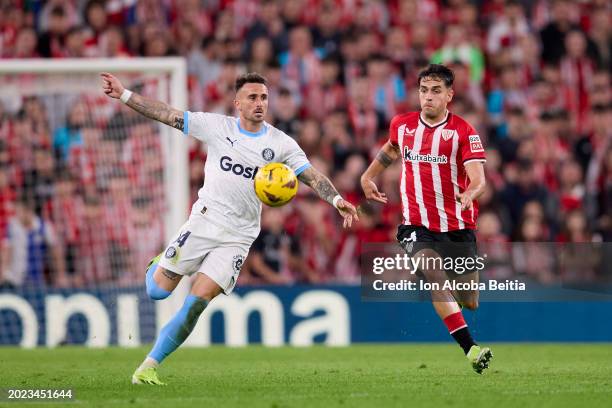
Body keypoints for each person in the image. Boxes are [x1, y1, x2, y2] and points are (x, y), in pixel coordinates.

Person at [100, 71, 358, 385]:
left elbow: (310, 175)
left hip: (239, 236)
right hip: (204, 221)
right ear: (237, 102)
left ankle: (148, 367)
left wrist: (336, 199)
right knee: (156, 292)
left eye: (263, 97)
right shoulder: (216, 127)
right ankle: (160, 261)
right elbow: (167, 114)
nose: (259, 103)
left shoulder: (280, 143)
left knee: (196, 303)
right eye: (252, 97)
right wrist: (125, 94)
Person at [360, 64, 492, 374]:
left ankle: (452, 309)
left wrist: (469, 195)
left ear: (450, 95)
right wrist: (368, 177)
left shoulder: (463, 132)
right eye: (423, 91)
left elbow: (479, 180)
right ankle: (471, 349)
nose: (428, 97)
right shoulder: (403, 125)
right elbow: (391, 149)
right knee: (434, 275)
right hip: (416, 225)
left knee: (469, 300)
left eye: (435, 91)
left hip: (458, 227)